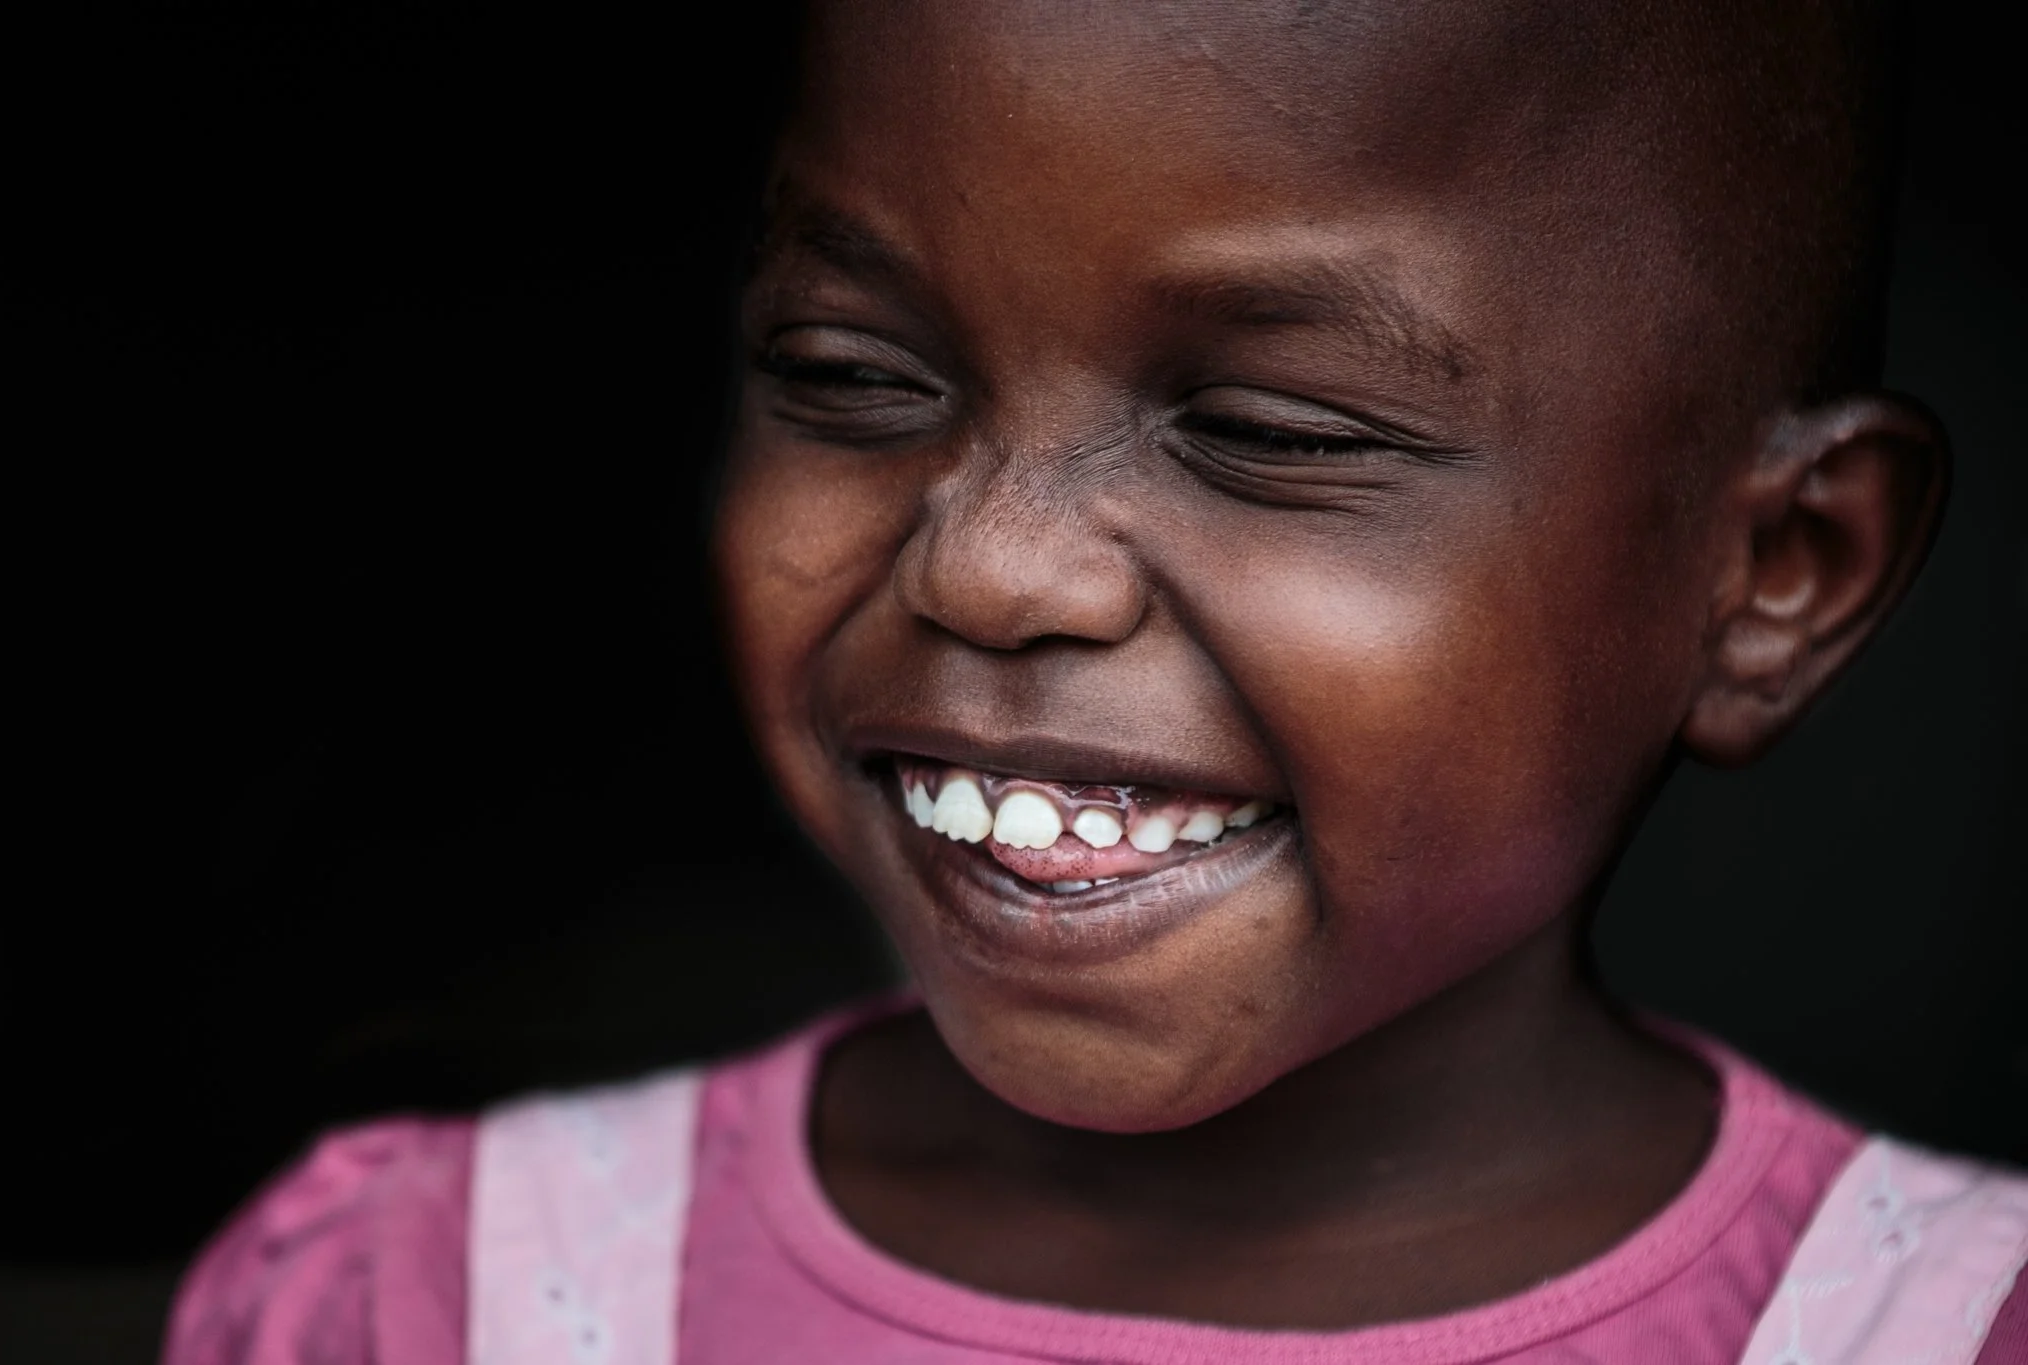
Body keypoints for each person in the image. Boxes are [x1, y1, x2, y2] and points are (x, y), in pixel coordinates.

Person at [162, 1, 2028, 1361]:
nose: (989, 563)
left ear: (1774, 573)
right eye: (850, 375)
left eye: (1270, 429)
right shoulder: (434, 1298)